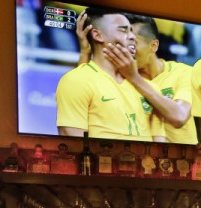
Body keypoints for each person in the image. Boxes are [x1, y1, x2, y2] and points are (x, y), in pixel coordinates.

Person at [78, 13, 197, 144]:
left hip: (181, 161)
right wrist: (85, 52)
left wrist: (134, 78)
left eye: (133, 42)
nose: (126, 48)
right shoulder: (120, 76)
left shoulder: (184, 73)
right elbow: (81, 96)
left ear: (153, 46)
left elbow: (179, 117)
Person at [56, 8, 152, 140]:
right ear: (97, 35)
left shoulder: (146, 86)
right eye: (123, 30)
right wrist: (85, 52)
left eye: (132, 31)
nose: (132, 37)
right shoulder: (75, 81)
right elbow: (74, 145)